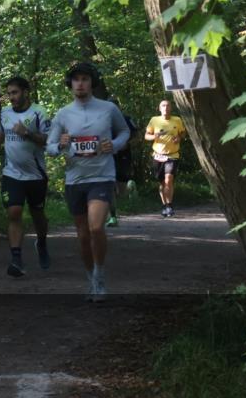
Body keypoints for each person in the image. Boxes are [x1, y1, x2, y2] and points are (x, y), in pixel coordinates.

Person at [46, 63, 130, 302]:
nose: (80, 83)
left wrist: (113, 145)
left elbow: (124, 132)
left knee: (95, 228)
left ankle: (100, 276)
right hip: (75, 179)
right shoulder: (63, 114)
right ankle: (90, 277)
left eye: (84, 79)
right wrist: (60, 145)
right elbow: (50, 148)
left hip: (102, 176)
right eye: (76, 80)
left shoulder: (108, 108)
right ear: (70, 84)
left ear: (92, 82)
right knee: (83, 235)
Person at [0, 77, 52, 277]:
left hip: (35, 175)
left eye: (15, 92)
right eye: (9, 93)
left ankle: (41, 242)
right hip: (12, 173)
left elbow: (48, 141)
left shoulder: (39, 112)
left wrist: (27, 133)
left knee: (37, 215)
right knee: (14, 212)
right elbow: (2, 133)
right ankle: (16, 259)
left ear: (26, 92)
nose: (12, 97)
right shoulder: (5, 113)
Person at [144, 98, 187, 218]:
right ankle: (164, 206)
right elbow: (146, 136)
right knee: (162, 183)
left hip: (172, 155)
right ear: (159, 108)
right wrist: (154, 136)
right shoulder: (154, 120)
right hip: (158, 155)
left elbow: (183, 133)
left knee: (169, 179)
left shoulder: (177, 120)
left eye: (168, 105)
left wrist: (179, 138)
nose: (165, 108)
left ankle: (169, 205)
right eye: (163, 106)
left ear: (171, 108)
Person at [106, 97, 140, 227]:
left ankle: (130, 187)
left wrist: (127, 144)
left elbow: (138, 137)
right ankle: (113, 216)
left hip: (124, 156)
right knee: (110, 186)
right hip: (107, 157)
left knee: (121, 191)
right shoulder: (101, 121)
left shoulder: (126, 119)